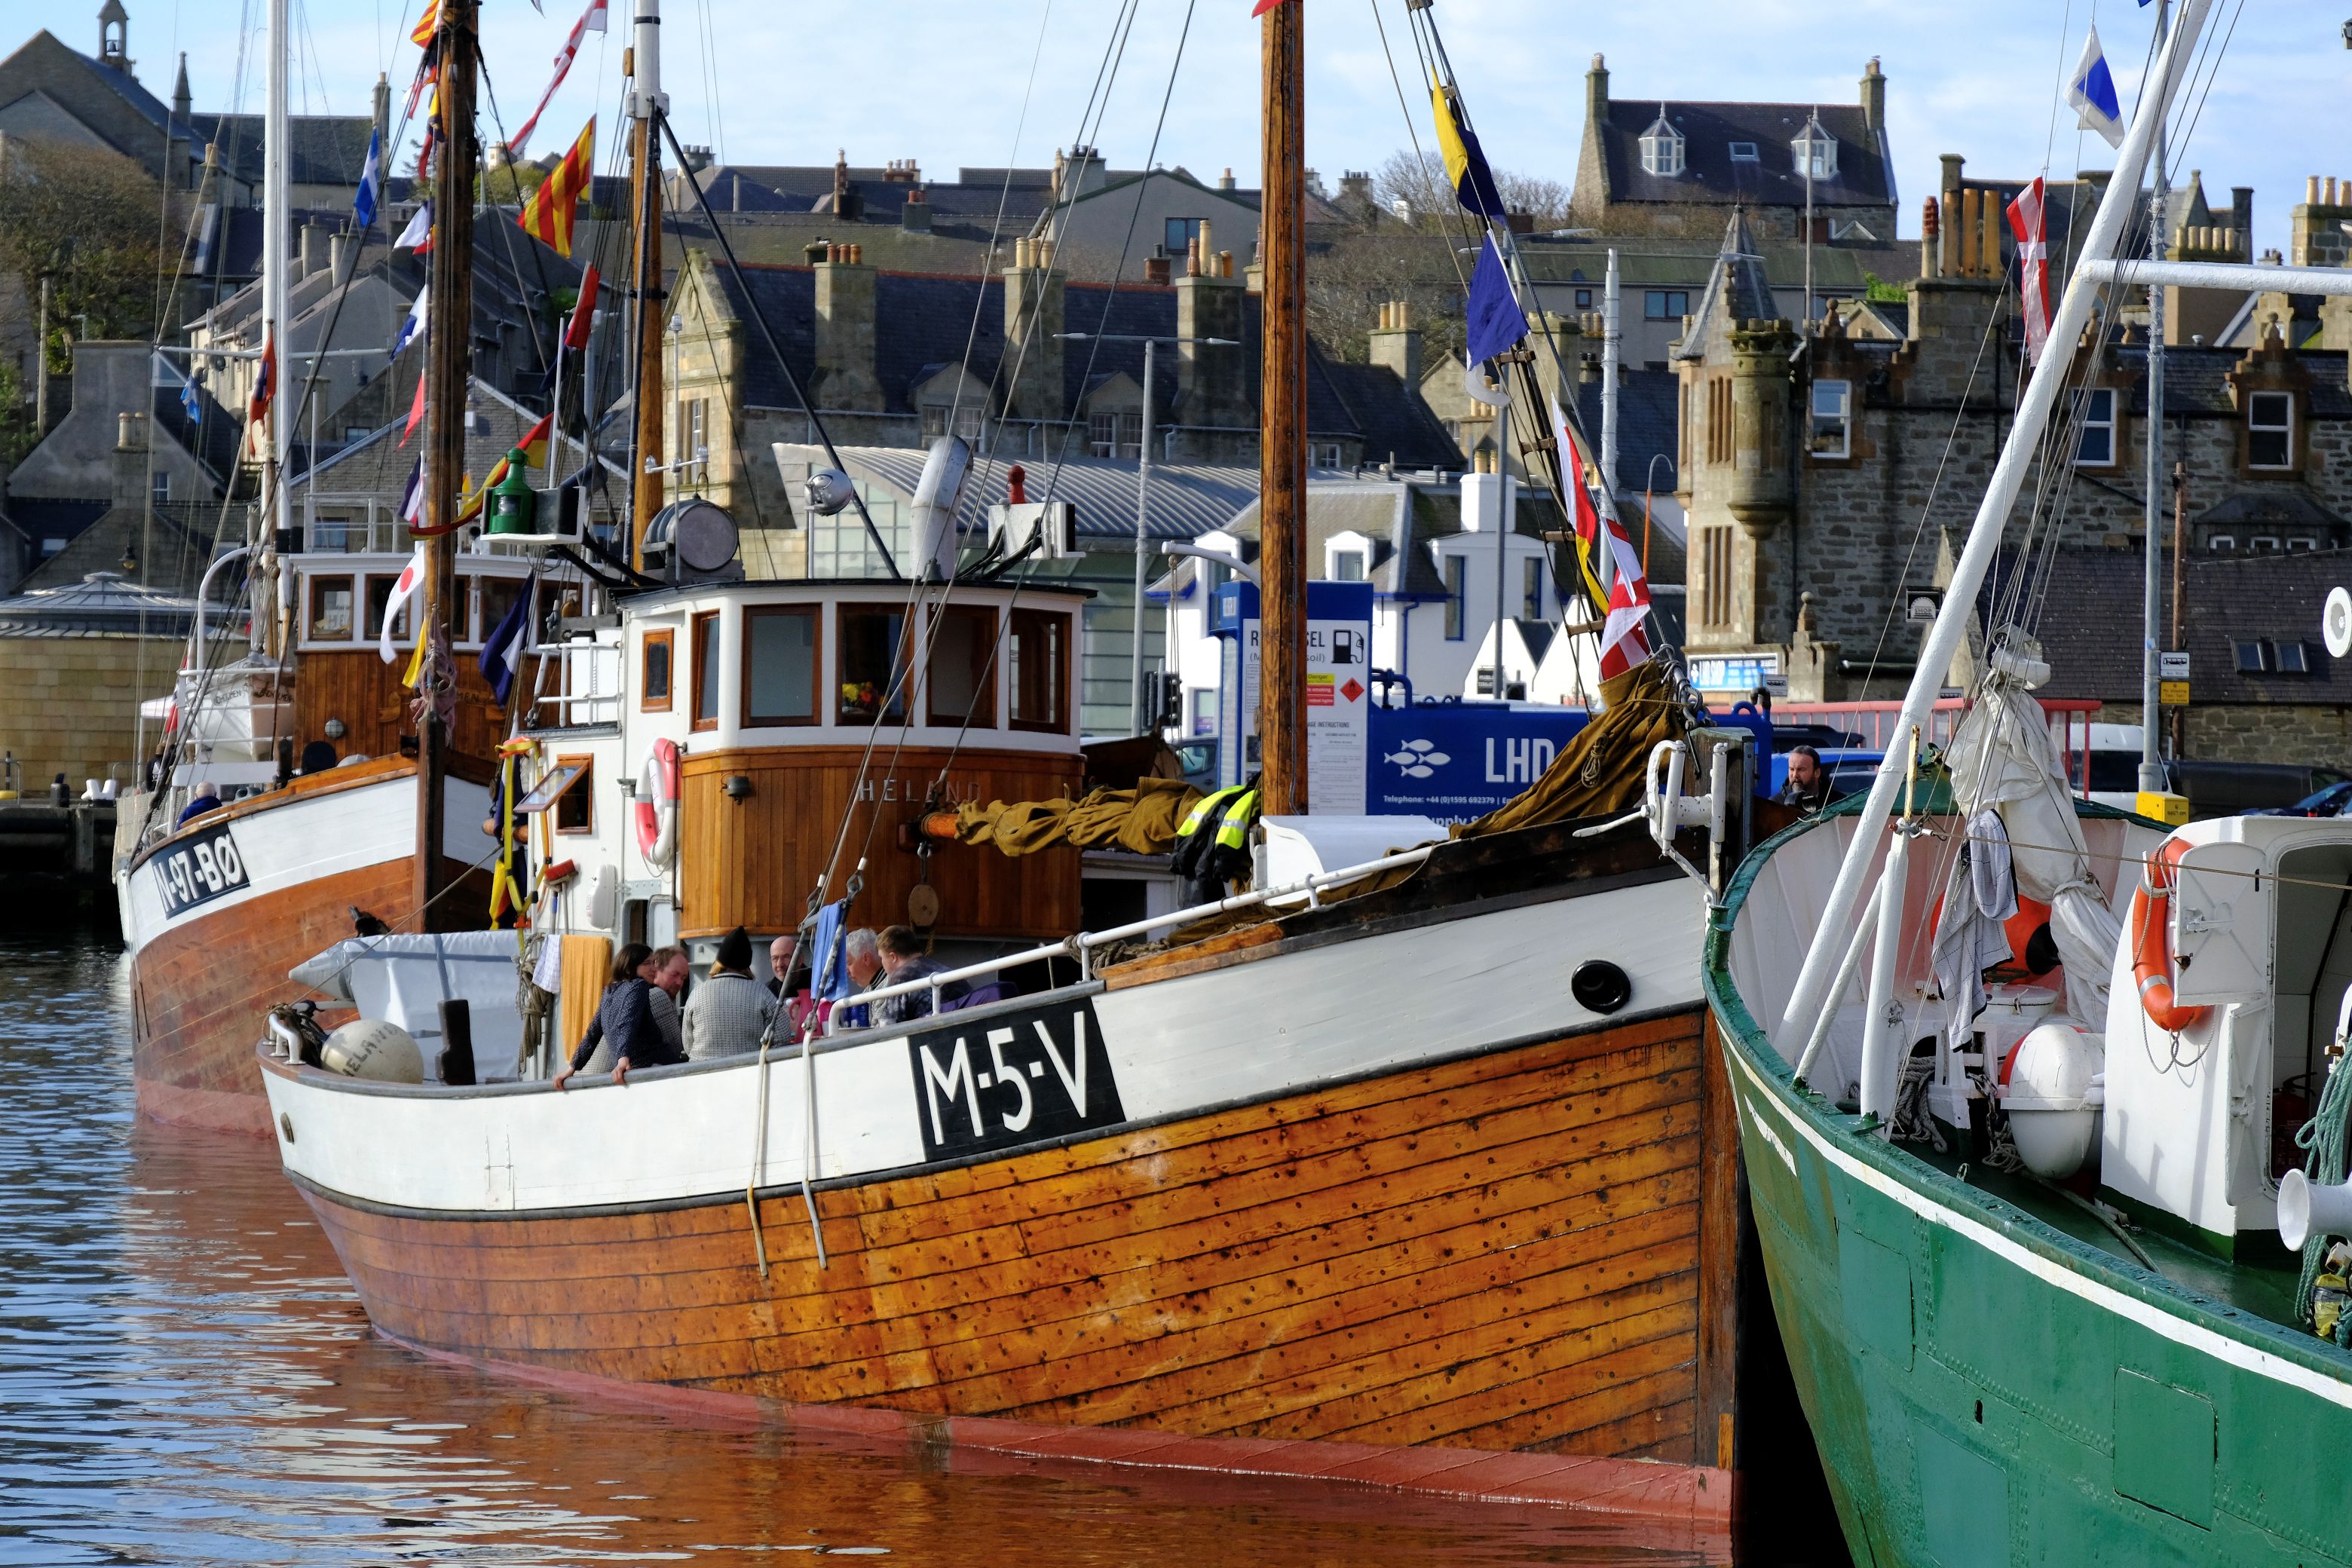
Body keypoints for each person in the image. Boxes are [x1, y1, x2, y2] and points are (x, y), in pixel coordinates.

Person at [554, 942, 683, 1089]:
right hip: (657, 1064)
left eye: (654, 963)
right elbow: (629, 1021)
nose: (654, 968)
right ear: (630, 967)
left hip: (635, 1070)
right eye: (647, 963)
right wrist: (623, 1059)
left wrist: (571, 1069)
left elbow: (592, 1035)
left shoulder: (609, 992)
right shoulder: (638, 986)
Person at [684, 926, 778, 1060]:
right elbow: (781, 1036)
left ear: (720, 960)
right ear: (747, 962)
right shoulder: (762, 992)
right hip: (747, 1070)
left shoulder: (697, 993)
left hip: (701, 1073)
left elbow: (688, 1044)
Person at [870, 924, 966, 1027]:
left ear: (893, 957)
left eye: (881, 958)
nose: (882, 963)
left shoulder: (900, 977)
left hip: (930, 1036)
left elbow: (891, 1029)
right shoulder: (943, 970)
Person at [645, 945, 688, 1056]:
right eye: (674, 975)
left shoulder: (636, 994)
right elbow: (676, 1047)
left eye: (683, 978)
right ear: (656, 970)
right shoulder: (657, 997)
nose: (679, 983)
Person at [1779, 745, 1830, 813]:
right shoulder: (1776, 804)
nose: (1795, 775)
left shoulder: (1836, 803)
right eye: (1792, 769)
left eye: (1801, 770)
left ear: (1817, 773)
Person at [766, 933, 799, 1000]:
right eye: (775, 958)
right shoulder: (769, 992)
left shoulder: (815, 985)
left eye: (786, 957)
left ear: (800, 959)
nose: (779, 964)